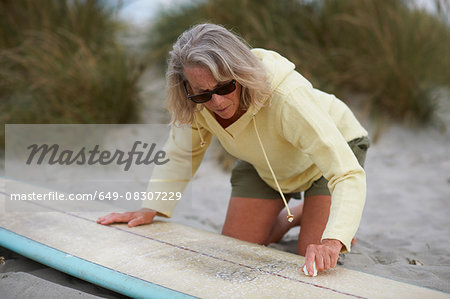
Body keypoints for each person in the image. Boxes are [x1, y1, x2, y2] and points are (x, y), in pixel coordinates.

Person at [97, 23, 369, 276]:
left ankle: (321, 216)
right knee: (233, 254)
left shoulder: (287, 96)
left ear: (241, 72)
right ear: (187, 89)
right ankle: (296, 215)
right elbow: (182, 154)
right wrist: (151, 207)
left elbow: (346, 173)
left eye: (225, 86)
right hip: (264, 163)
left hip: (329, 158)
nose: (216, 101)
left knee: (312, 262)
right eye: (202, 93)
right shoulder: (194, 103)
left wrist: (334, 239)